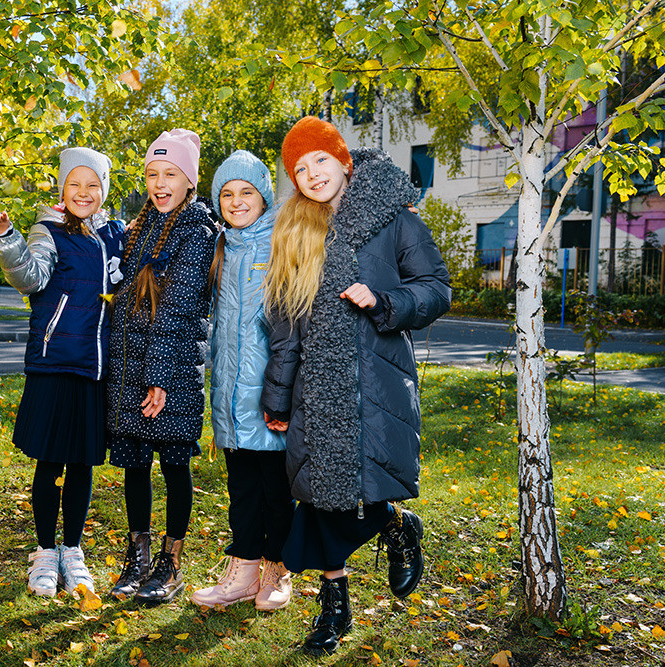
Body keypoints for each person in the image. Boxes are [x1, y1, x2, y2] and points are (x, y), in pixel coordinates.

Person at [261, 117, 451, 655]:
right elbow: (285, 325)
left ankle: (393, 524)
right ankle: (335, 606)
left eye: (320, 159)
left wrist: (386, 301)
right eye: (300, 168)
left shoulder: (394, 216)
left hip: (375, 382)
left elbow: (436, 288)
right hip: (315, 388)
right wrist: (278, 396)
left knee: (358, 488)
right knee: (320, 498)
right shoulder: (294, 229)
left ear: (344, 160)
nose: (312, 174)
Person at [0, 147, 124, 600]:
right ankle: (44, 551)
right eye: (74, 184)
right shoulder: (49, 230)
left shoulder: (115, 233)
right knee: (50, 462)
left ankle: (72, 550)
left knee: (82, 463)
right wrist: (6, 236)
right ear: (62, 188)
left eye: (93, 185)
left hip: (95, 368)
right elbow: (31, 277)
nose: (84, 192)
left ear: (104, 190)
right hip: (55, 361)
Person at [105, 128, 216, 604]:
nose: (160, 183)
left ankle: (171, 563)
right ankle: (138, 557)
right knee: (134, 464)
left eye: (171, 174)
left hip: (171, 372)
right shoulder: (141, 227)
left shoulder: (197, 231)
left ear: (190, 180)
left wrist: (158, 378)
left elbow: (176, 310)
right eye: (153, 174)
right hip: (130, 369)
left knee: (173, 465)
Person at [190, 150, 295, 611]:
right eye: (227, 194)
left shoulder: (281, 243)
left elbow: (292, 324)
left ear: (264, 197)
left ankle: (278, 569)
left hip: (271, 395)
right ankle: (244, 569)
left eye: (246, 192)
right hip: (230, 395)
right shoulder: (220, 247)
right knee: (242, 490)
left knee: (276, 490)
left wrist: (282, 393)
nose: (236, 202)